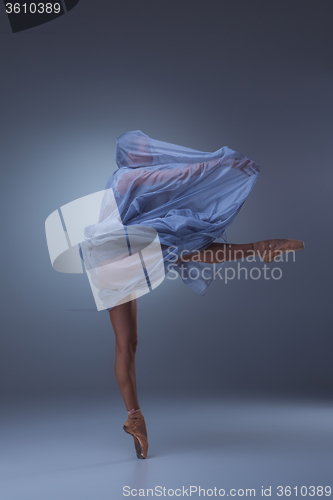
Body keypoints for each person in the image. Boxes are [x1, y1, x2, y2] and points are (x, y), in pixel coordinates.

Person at [85, 130, 304, 459]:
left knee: (127, 344)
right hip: (114, 259)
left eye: (148, 147)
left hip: (111, 261)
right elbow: (179, 174)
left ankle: (135, 420)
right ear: (129, 154)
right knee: (184, 244)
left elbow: (166, 191)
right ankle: (260, 248)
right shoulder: (128, 178)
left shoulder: (124, 181)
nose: (149, 151)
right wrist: (221, 162)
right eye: (143, 148)